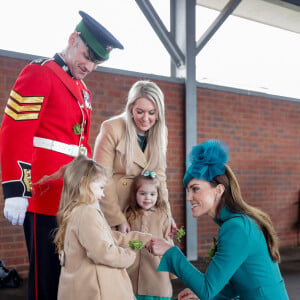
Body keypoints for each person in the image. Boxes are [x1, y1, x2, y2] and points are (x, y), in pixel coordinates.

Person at [0, 10, 123, 300]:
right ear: (72, 39)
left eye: (96, 62)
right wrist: (17, 188)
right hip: (43, 196)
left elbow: (81, 147)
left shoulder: (84, 92)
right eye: (87, 56)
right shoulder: (39, 73)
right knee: (46, 279)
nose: (90, 66)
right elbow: (14, 131)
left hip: (72, 197)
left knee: (68, 276)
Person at [149, 139, 289, 300]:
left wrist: (170, 251)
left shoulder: (236, 228)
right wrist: (201, 294)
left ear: (219, 190)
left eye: (195, 189)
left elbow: (207, 290)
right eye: (188, 190)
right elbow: (238, 283)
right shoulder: (238, 223)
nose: (189, 197)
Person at [54, 155, 152, 300]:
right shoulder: (87, 213)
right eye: (100, 187)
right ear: (84, 183)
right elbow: (103, 252)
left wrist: (142, 239)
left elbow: (108, 236)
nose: (103, 193)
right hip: (96, 292)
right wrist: (129, 254)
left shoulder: (76, 212)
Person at [93, 80, 176, 233]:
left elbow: (160, 177)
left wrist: (167, 214)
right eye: (140, 112)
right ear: (131, 108)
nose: (146, 118)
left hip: (146, 210)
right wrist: (117, 219)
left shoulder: (161, 131)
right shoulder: (112, 128)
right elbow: (102, 177)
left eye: (152, 113)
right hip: (115, 205)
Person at [126, 172, 176, 300]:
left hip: (157, 270)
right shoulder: (129, 215)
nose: (148, 198)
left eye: (152, 194)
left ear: (158, 195)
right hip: (133, 270)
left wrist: (173, 271)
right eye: (143, 193)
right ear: (135, 194)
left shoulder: (163, 216)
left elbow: (168, 243)